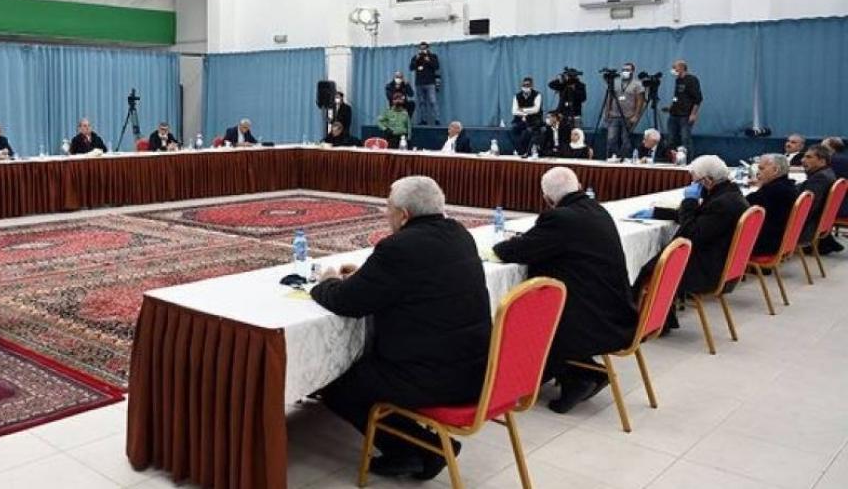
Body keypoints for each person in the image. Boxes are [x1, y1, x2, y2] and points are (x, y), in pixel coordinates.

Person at [311, 176, 491, 480]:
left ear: (404, 214)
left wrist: (326, 282)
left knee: (336, 383)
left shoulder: (398, 248)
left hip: (432, 376)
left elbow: (346, 302)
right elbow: (419, 282)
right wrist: (368, 277)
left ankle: (422, 449)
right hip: (475, 367)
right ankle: (419, 447)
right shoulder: (459, 234)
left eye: (388, 208)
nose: (386, 214)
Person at [493, 167, 637, 413]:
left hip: (594, 320)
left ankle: (576, 377)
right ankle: (580, 372)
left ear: (547, 199)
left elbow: (514, 251)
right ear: (579, 186)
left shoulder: (560, 218)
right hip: (616, 310)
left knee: (531, 311)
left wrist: (505, 244)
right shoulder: (597, 209)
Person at [629, 156, 747, 332]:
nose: (692, 185)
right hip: (716, 259)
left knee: (649, 267)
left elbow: (690, 232)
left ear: (707, 181)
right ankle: (662, 320)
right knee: (655, 260)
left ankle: (640, 322)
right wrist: (657, 212)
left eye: (695, 181)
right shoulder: (728, 194)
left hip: (708, 270)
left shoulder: (722, 204)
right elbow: (700, 218)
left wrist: (689, 201)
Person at [745, 154, 800, 256]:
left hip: (766, 244)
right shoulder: (788, 186)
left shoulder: (773, 191)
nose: (757, 173)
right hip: (781, 240)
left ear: (775, 170)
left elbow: (745, 203)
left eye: (761, 168)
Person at [799, 144, 840, 254]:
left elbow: (808, 208)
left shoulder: (820, 178)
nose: (803, 160)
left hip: (808, 229)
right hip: (819, 224)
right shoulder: (827, 173)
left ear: (822, 161)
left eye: (809, 157)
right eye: (804, 156)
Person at [603, 64, 645, 159]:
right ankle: (612, 156)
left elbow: (640, 101)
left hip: (628, 116)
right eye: (623, 69)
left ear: (632, 71)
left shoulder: (637, 84)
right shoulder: (615, 82)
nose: (624, 71)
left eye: (627, 69)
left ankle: (624, 157)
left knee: (626, 139)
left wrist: (636, 115)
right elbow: (609, 98)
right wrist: (607, 111)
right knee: (611, 138)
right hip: (614, 115)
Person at [665, 60, 702, 158]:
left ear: (682, 68)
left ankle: (688, 160)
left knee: (685, 139)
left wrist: (693, 114)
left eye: (675, 67)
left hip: (685, 115)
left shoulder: (692, 80)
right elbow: (677, 97)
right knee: (671, 138)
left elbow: (698, 99)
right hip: (674, 114)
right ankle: (673, 159)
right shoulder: (678, 80)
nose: (673, 70)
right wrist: (671, 106)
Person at [509, 76, 543, 156]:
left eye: (528, 85)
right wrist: (524, 114)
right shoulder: (517, 96)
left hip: (534, 119)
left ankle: (527, 151)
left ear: (531, 86)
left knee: (528, 131)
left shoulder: (537, 95)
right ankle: (519, 150)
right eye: (524, 85)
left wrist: (523, 110)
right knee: (513, 129)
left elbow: (536, 109)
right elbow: (514, 111)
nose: (525, 87)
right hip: (520, 119)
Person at [409, 42, 441, 126]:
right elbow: (411, 68)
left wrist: (428, 60)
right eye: (421, 48)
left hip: (430, 82)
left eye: (424, 48)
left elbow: (436, 67)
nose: (422, 50)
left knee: (433, 101)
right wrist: (416, 59)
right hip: (419, 83)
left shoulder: (433, 56)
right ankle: (423, 120)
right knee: (421, 102)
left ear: (428, 49)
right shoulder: (416, 57)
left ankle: (437, 119)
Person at [823, 136, 848, 220]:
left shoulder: (832, 161)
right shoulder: (844, 158)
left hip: (839, 207)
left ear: (831, 148)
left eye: (823, 148)